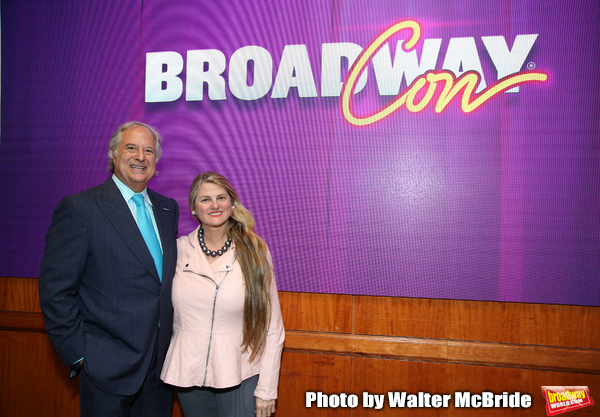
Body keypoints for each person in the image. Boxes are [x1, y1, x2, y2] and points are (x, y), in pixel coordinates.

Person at [38, 121, 179, 417]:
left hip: (160, 371)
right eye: (131, 147)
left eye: (149, 150)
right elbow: (55, 291)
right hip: (105, 369)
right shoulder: (81, 208)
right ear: (113, 154)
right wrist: (79, 355)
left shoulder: (168, 208)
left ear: (156, 160)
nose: (141, 156)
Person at [161, 171, 285, 417]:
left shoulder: (256, 252)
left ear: (232, 203)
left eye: (221, 197)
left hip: (240, 373)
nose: (215, 205)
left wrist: (267, 389)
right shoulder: (178, 250)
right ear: (194, 208)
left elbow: (272, 327)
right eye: (205, 199)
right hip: (188, 374)